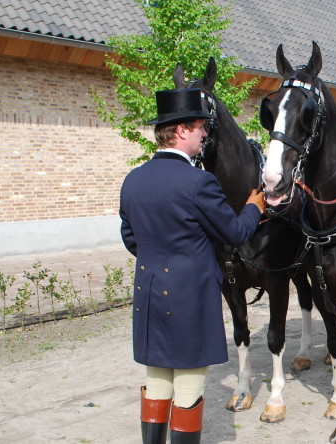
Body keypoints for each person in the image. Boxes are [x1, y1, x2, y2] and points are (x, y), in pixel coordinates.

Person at [120, 83, 267, 444]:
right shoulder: (199, 182)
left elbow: (130, 237)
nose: (205, 134)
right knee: (188, 382)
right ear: (182, 130)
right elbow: (234, 233)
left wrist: (163, 256)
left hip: (150, 289)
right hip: (189, 294)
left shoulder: (133, 180)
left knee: (157, 378)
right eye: (201, 127)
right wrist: (254, 207)